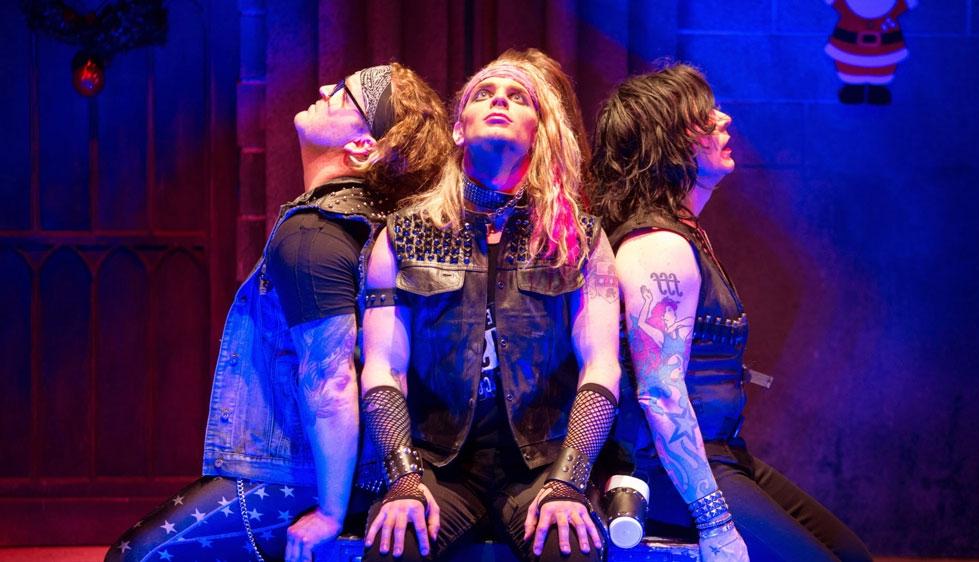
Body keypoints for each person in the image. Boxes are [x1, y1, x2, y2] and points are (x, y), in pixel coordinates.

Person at [105, 63, 451, 562]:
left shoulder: (314, 233)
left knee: (134, 557)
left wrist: (331, 515)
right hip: (360, 473)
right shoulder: (378, 227)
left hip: (301, 478)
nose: (324, 89)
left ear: (361, 147)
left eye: (344, 95)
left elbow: (330, 382)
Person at [589, 62, 874, 561]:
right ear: (670, 143)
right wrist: (714, 520)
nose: (724, 120)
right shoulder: (658, 246)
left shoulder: (679, 234)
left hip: (721, 454)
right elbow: (660, 394)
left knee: (848, 552)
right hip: (670, 470)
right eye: (704, 116)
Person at [358, 55, 621, 562]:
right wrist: (405, 479)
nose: (499, 98)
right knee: (395, 546)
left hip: (543, 461)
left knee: (572, 548)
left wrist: (570, 480)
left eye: (518, 96)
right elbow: (383, 367)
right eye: (483, 93)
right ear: (458, 130)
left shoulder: (579, 237)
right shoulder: (404, 233)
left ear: (539, 130)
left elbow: (601, 364)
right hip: (438, 464)